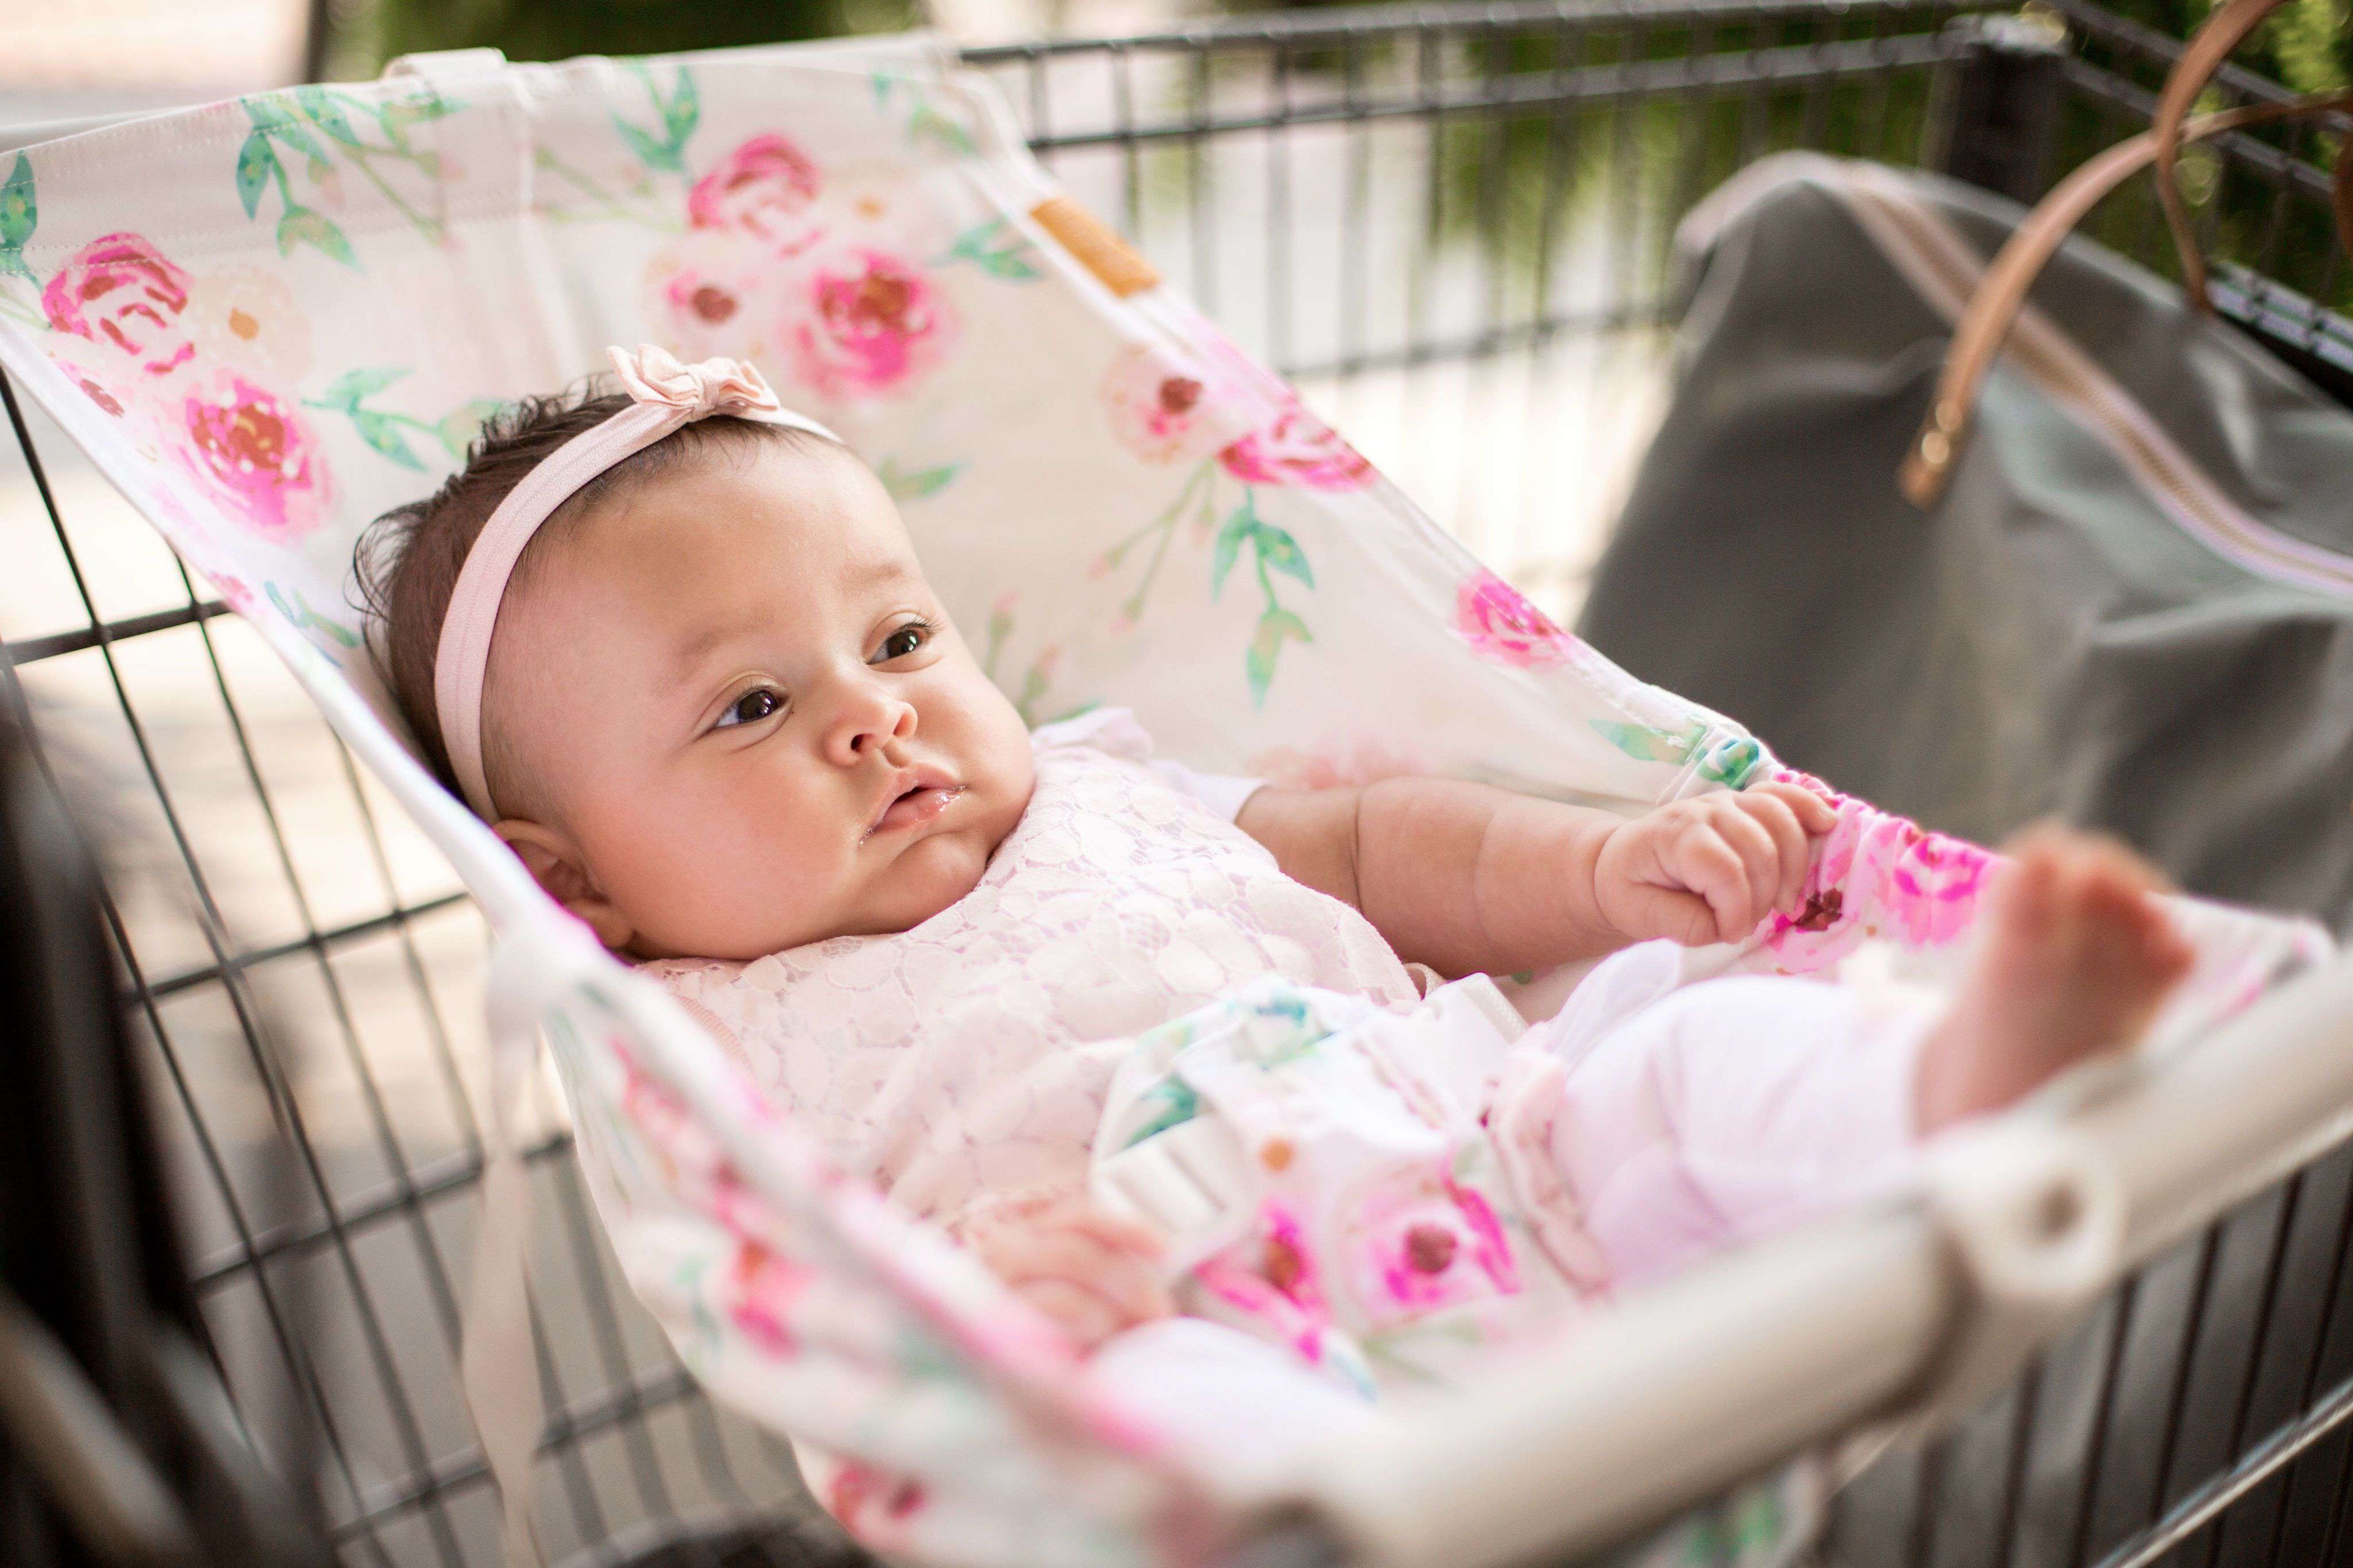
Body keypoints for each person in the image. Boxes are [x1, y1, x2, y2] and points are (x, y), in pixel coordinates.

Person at [358, 346, 2192, 1388]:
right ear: (575, 890)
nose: (873, 720)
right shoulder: (692, 1036)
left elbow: (1396, 846)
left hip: (1494, 1163)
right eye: (752, 704)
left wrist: (1615, 868)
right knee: (1158, 1436)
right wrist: (984, 1342)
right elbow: (789, 1305)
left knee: (1685, 1069)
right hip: (1183, 1329)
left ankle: (1948, 1086)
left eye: (903, 642)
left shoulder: (1098, 795)